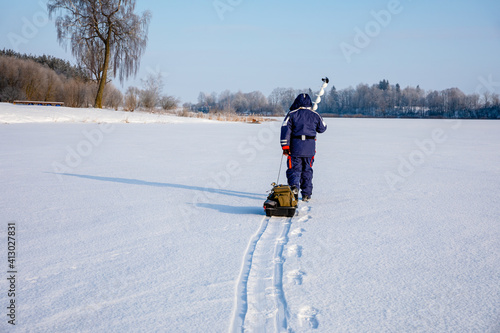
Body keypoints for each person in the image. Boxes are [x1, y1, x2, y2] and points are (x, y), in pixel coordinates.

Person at [280, 93, 327, 202]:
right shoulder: (315, 115)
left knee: (294, 170)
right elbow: (323, 128)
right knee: (307, 171)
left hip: (295, 148)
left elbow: (285, 130)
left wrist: (285, 147)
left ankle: (294, 190)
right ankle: (306, 194)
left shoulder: (292, 114)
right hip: (309, 149)